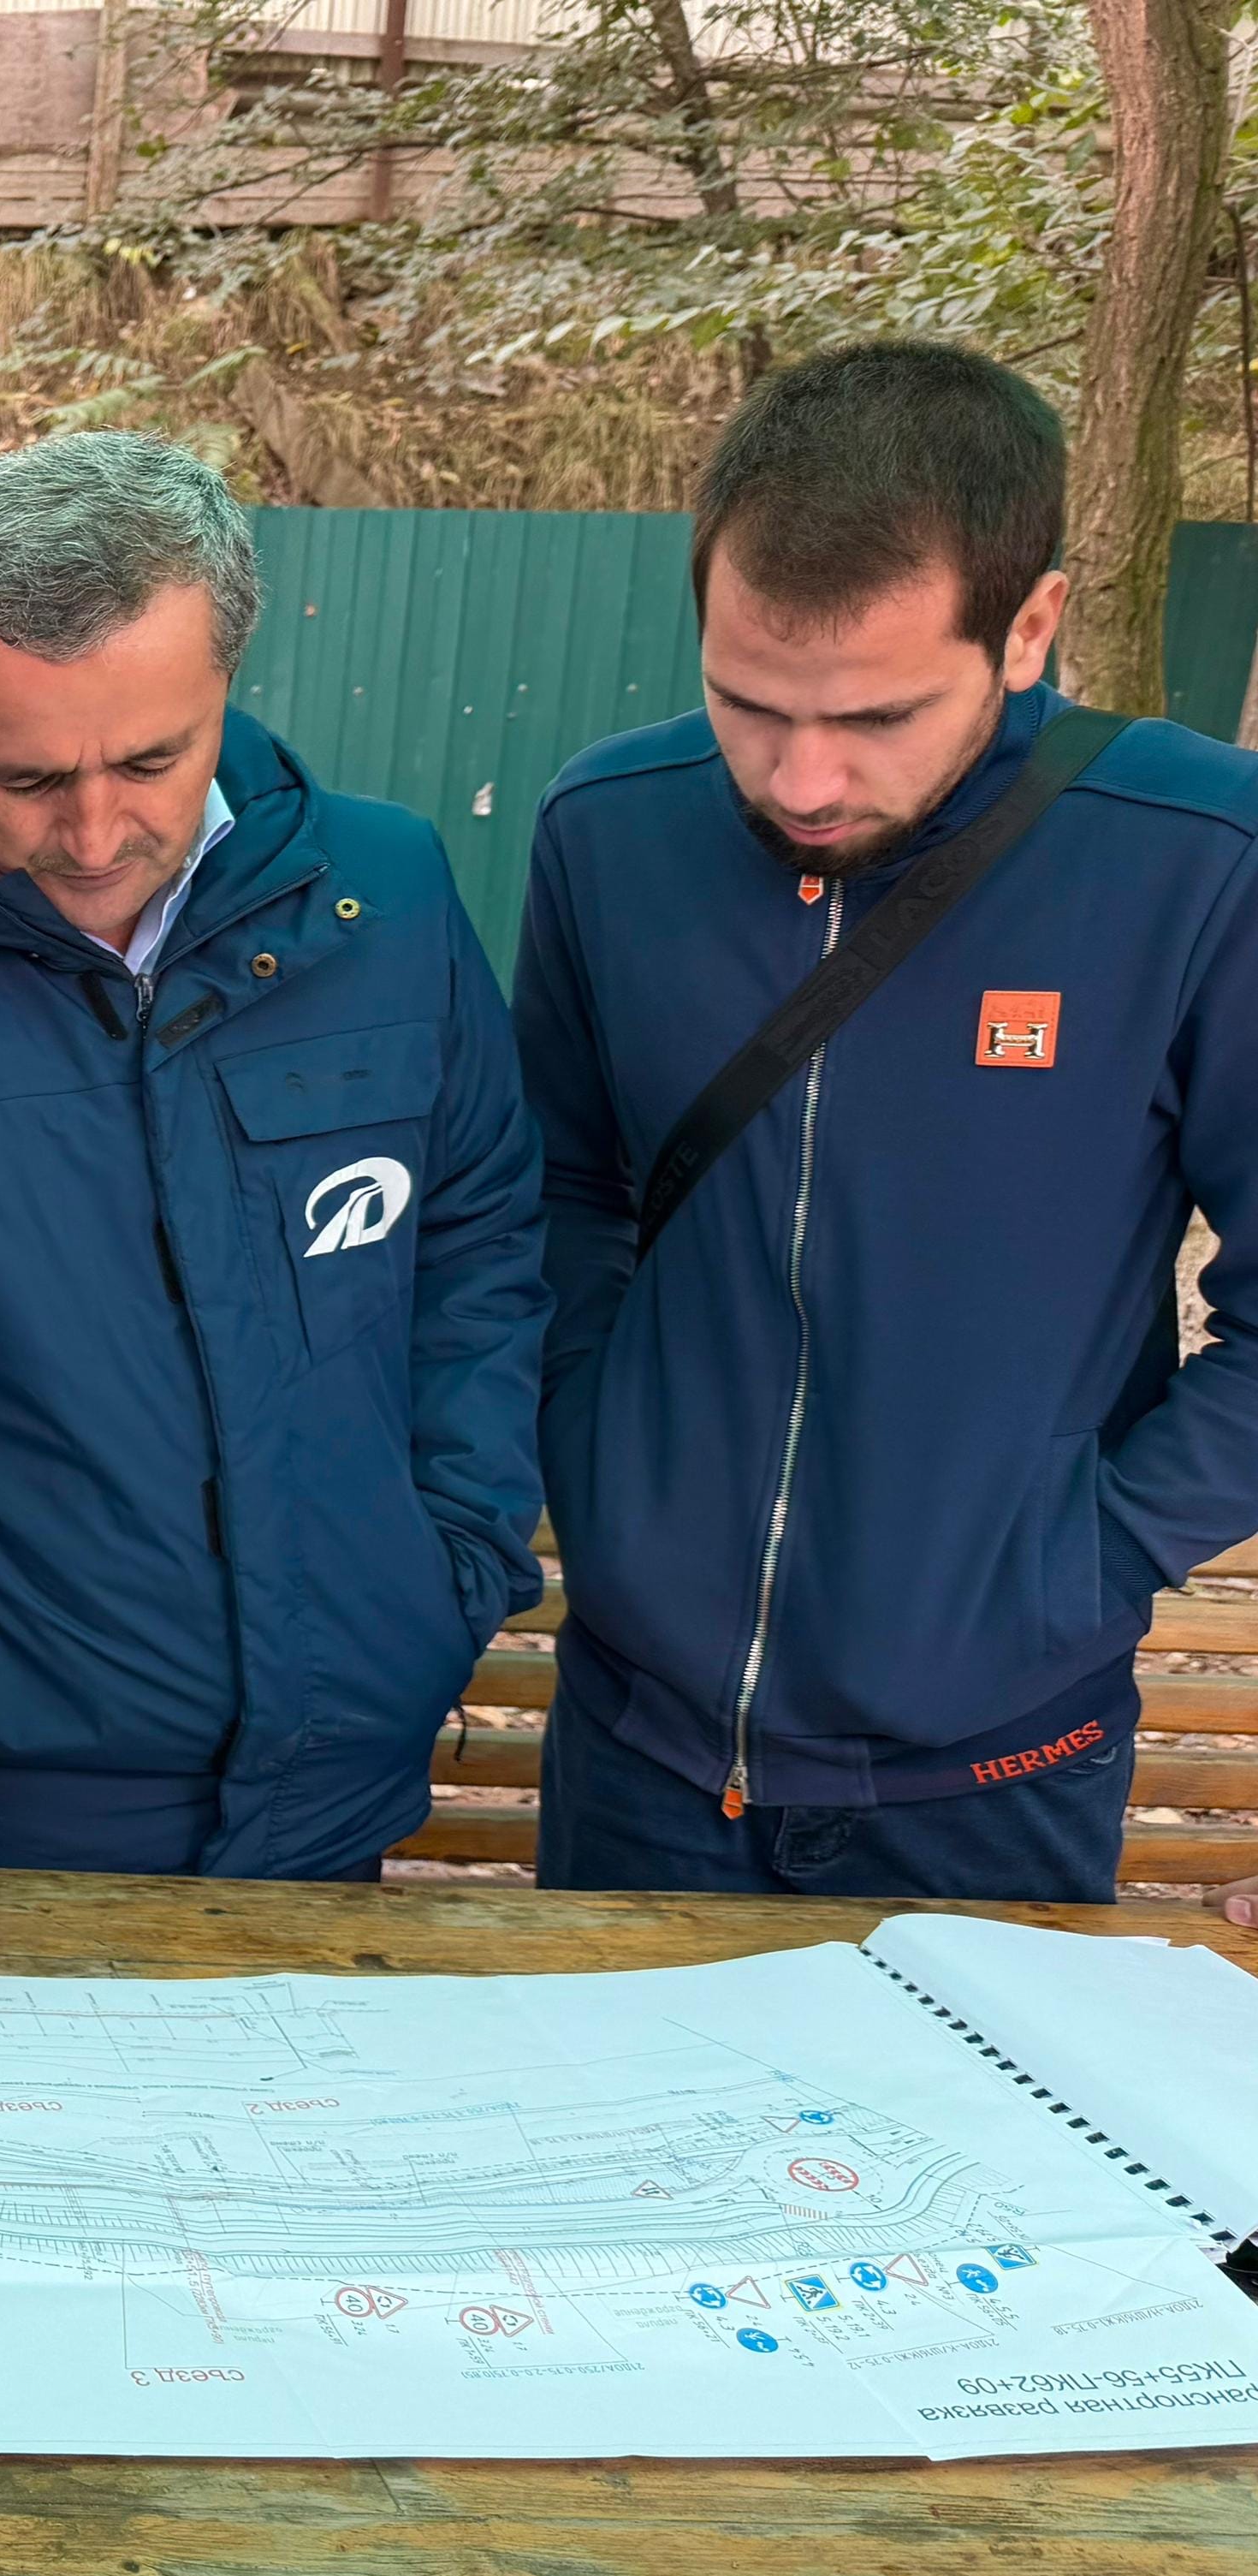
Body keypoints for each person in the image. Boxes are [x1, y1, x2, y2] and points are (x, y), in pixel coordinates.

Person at [0, 434, 549, 2027]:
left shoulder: (389, 899)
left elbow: (478, 1243)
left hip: (340, 1762)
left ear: (229, 682)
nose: (97, 831)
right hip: (0, 1811)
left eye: (152, 760)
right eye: (29, 781)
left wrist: (444, 1565)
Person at [515, 342, 1258, 1906]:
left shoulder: (1199, 860)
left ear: (1030, 628)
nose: (802, 777)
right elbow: (561, 1187)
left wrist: (1087, 1561)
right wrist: (596, 1443)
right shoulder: (606, 829)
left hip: (995, 1772)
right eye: (745, 703)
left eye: (876, 715)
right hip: (639, 1748)